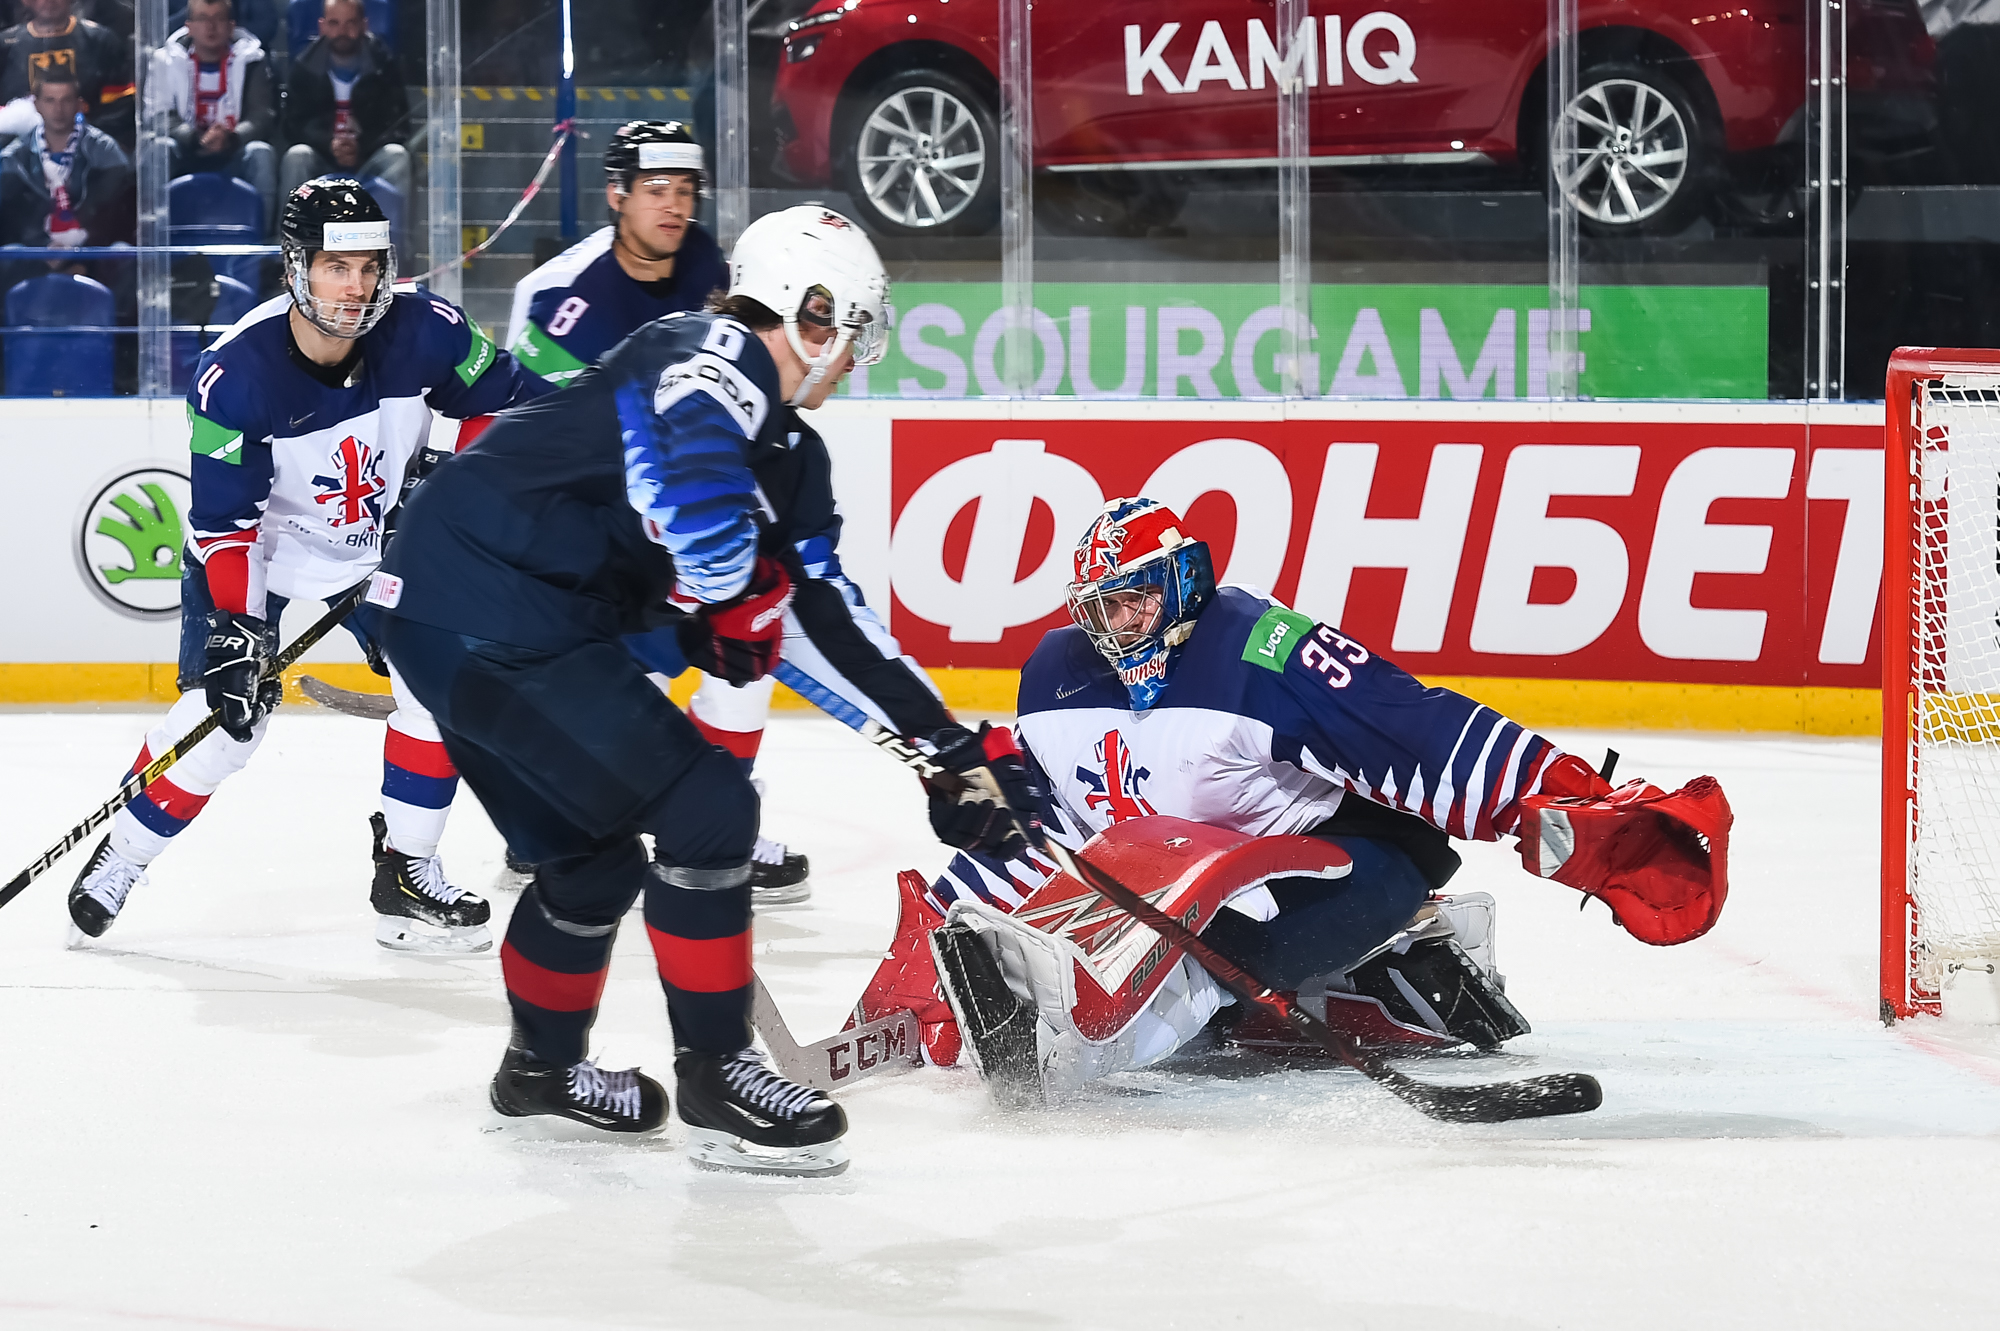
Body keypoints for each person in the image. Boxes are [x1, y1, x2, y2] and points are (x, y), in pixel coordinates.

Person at [371, 205, 1039, 1173]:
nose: (853, 357)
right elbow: (693, 494)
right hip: (489, 607)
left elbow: (827, 614)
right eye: (849, 330)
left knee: (590, 864)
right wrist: (732, 596)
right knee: (711, 806)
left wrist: (946, 749)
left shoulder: (791, 455)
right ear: (812, 314)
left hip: (481, 613)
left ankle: (540, 1068)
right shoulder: (703, 354)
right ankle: (719, 1076)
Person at [856, 497, 1734, 1105]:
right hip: (1178, 874)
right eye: (1104, 610)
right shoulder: (1055, 672)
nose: (1120, 627)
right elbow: (1047, 812)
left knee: (1209, 955)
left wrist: (1570, 801)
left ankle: (1382, 953)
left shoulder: (1267, 650)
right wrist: (976, 817)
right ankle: (1368, 985)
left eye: (1136, 602)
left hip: (1349, 861)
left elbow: (1415, 728)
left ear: (1184, 579)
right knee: (1185, 950)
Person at [64, 176, 551, 954]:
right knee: (227, 728)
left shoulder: (427, 332)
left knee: (446, 687)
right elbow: (227, 525)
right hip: (257, 557)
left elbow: (520, 400)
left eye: (369, 266)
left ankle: (406, 870)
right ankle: (123, 853)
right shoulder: (237, 373)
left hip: (376, 548)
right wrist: (235, 630)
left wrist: (458, 469)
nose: (356, 287)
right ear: (295, 267)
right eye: (334, 266)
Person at [498, 121, 811, 908]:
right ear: (616, 195)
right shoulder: (557, 300)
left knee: (745, 662)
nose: (674, 208)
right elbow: (524, 447)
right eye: (656, 191)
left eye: (686, 192)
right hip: (586, 538)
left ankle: (713, 825)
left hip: (677, 530)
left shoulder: (719, 268)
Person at [145, 0, 278, 233]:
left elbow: (261, 116)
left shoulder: (253, 59)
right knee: (159, 149)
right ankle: (153, 238)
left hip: (233, 150)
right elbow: (159, 114)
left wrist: (232, 137)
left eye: (218, 19)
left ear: (231, 25)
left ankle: (264, 247)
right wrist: (193, 137)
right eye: (203, 19)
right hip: (186, 150)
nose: (211, 27)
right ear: (189, 26)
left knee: (261, 153)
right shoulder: (164, 60)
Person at [278, 0, 407, 204]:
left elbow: (399, 124)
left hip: (368, 155)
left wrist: (360, 146)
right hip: (322, 156)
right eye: (334, 23)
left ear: (364, 25)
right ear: (322, 26)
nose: (342, 31)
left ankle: (399, 236)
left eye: (350, 23)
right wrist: (330, 145)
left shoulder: (383, 65)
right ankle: (288, 233)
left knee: (397, 155)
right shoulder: (304, 67)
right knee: (297, 156)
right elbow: (294, 126)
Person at [0, 68, 129, 254]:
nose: (58, 110)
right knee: (11, 253)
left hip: (91, 253)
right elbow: (14, 221)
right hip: (35, 258)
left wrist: (77, 254)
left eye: (66, 100)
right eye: (50, 101)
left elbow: (112, 215)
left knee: (121, 252)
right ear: (36, 105)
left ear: (79, 104)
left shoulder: (105, 152)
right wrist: (46, 251)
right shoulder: (14, 159)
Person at [0, 0, 131, 145]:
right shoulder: (5, 47)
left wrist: (81, 133)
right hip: (16, 157)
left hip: (88, 155)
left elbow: (122, 106)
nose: (49, 1)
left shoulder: (101, 42)